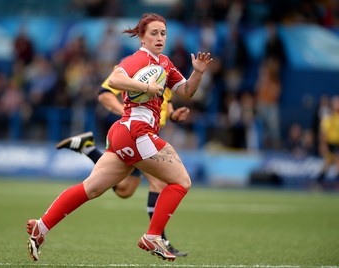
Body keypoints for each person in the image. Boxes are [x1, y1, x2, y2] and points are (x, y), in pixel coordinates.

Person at [26, 13, 213, 262]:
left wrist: (198, 73)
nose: (159, 38)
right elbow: (115, 79)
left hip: (123, 132)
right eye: (154, 33)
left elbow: (187, 91)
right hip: (137, 131)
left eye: (163, 33)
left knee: (91, 188)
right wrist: (147, 88)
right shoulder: (138, 58)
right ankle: (154, 235)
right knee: (181, 181)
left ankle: (42, 226)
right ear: (142, 37)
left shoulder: (165, 63)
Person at [56, 71, 190, 256]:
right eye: (155, 38)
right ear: (143, 40)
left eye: (162, 38)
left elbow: (165, 99)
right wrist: (129, 114)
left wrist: (173, 114)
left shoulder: (163, 67)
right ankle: (159, 239)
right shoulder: (130, 67)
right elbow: (104, 93)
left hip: (148, 133)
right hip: (136, 135)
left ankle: (88, 148)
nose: (159, 40)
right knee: (160, 183)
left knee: (124, 190)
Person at [316, 95, 339, 188]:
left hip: (337, 143)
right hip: (331, 143)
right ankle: (318, 182)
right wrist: (323, 145)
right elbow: (323, 132)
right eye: (336, 103)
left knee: (331, 162)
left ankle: (318, 182)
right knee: (328, 163)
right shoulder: (328, 117)